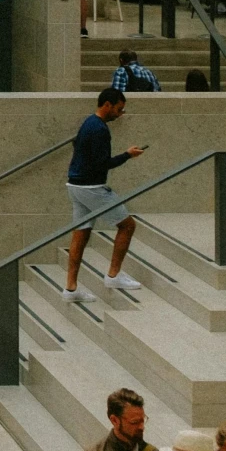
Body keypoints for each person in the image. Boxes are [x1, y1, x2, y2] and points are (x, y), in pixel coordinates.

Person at [64, 88, 147, 306]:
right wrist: (128, 155)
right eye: (119, 109)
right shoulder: (100, 129)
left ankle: (71, 287)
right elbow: (103, 163)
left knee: (80, 235)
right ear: (108, 104)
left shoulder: (88, 122)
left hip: (75, 184)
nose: (120, 114)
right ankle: (113, 275)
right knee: (127, 225)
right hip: (92, 187)